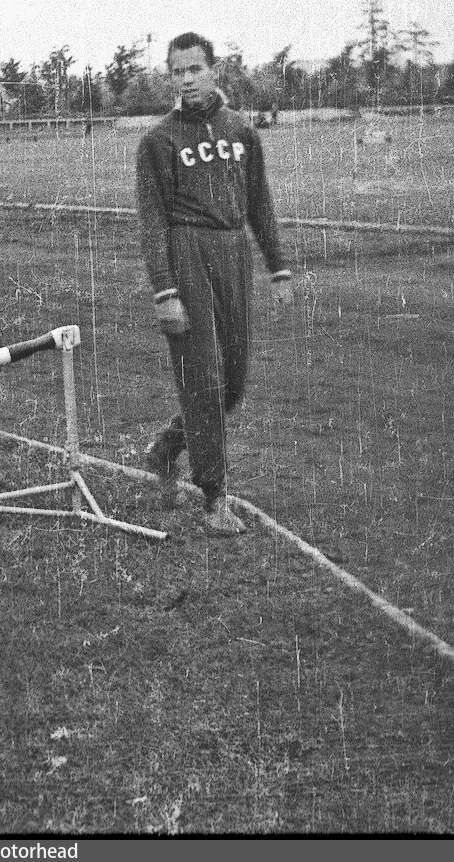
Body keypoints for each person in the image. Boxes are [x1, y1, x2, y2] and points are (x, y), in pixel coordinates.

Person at [136, 32, 294, 536]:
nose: (186, 80)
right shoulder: (158, 141)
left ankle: (167, 446)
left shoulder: (241, 131)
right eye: (177, 71)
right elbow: (152, 222)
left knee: (233, 382)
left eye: (195, 69)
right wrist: (165, 291)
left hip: (233, 252)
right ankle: (214, 499)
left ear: (213, 70)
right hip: (187, 253)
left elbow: (259, 202)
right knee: (203, 378)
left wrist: (278, 267)